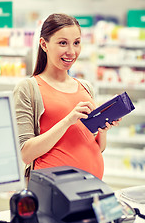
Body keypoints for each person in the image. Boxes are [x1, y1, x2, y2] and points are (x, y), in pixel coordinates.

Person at [13, 13, 121, 180]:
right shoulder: (28, 88)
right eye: (63, 43)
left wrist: (103, 129)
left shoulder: (85, 87)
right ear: (44, 44)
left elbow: (97, 148)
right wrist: (68, 120)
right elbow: (25, 154)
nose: (71, 51)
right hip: (54, 192)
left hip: (93, 187)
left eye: (76, 43)